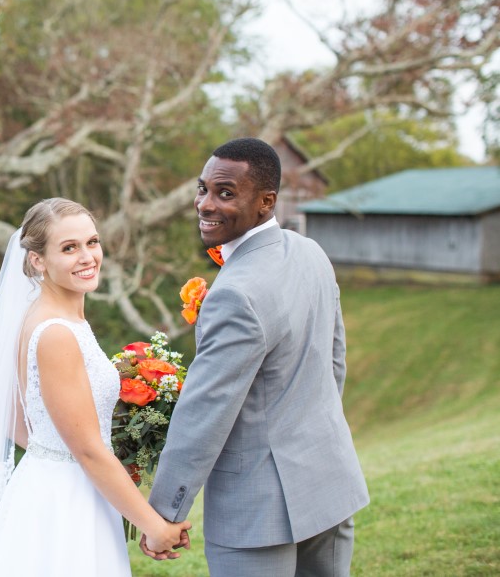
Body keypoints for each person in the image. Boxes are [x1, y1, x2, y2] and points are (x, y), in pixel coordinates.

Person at [144, 138, 370, 576]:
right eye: (203, 188)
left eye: (225, 193)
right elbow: (333, 363)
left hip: (257, 510)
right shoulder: (312, 253)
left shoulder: (234, 294)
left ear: (266, 202)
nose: (205, 204)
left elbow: (204, 414)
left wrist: (163, 513)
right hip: (328, 480)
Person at [0, 198, 191, 577]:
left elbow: (11, 415)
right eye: (69, 248)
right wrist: (154, 526)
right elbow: (87, 450)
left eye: (92, 242)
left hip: (56, 484)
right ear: (38, 260)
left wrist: (54, 448)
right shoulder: (56, 333)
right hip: (64, 504)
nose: (87, 256)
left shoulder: (51, 318)